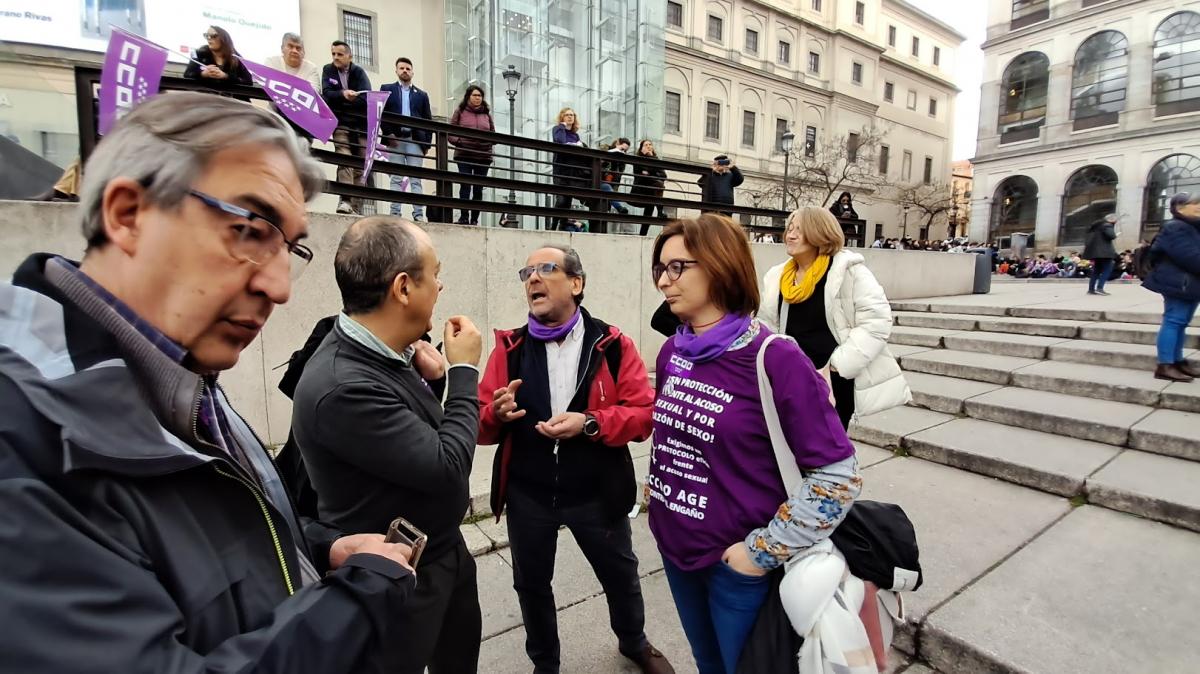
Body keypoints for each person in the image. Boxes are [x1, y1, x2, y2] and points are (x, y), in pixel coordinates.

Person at [0, 92, 416, 671]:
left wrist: (319, 552)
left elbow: (207, 553)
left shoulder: (177, 377)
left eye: (290, 249)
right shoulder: (22, 440)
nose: (279, 286)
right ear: (129, 214)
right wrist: (361, 596)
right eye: (250, 231)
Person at [647, 214, 860, 674]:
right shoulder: (672, 352)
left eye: (678, 267)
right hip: (676, 548)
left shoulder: (775, 357)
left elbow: (838, 477)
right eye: (659, 269)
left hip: (738, 566)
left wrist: (759, 553)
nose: (664, 280)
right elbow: (671, 439)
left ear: (721, 266)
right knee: (708, 665)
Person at [291, 217, 484, 673]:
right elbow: (446, 464)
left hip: (441, 553)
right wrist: (463, 373)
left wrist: (433, 384)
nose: (440, 285)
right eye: (434, 273)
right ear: (402, 288)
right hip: (394, 578)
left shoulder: (390, 351)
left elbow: (406, 439)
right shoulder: (344, 383)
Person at [478, 245, 675, 674]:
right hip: (529, 493)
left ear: (576, 283)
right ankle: (545, 663)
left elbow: (643, 415)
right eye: (526, 271)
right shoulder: (509, 348)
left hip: (596, 491)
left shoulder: (612, 344)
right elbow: (478, 425)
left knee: (620, 575)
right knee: (530, 585)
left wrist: (590, 423)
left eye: (546, 268)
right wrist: (494, 413)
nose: (533, 278)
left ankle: (633, 641)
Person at [758, 207, 910, 428]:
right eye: (789, 228)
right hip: (790, 379)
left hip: (832, 381)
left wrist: (836, 367)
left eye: (799, 230)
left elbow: (876, 322)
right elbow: (768, 324)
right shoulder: (777, 276)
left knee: (826, 454)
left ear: (820, 234)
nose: (789, 235)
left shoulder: (848, 272)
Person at [1143, 193, 1200, 383]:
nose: (1199, 206)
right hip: (1179, 283)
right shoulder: (1176, 227)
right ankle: (1165, 365)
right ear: (1179, 208)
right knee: (1174, 320)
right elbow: (1190, 257)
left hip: (1190, 283)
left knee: (1181, 322)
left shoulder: (1192, 227)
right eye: (1194, 203)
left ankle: (1177, 361)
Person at [323, 41, 371, 215]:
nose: (335, 57)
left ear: (350, 57)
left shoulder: (359, 72)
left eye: (340, 54)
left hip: (361, 126)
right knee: (344, 160)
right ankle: (345, 200)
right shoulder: (328, 70)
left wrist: (344, 100)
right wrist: (343, 94)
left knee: (360, 167)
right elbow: (327, 94)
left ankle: (356, 207)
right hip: (340, 124)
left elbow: (366, 97)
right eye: (333, 54)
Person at [382, 57, 434, 222]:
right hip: (395, 139)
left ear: (412, 72)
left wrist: (426, 144)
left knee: (416, 179)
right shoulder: (387, 89)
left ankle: (418, 215)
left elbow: (428, 120)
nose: (405, 71)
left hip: (414, 140)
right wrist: (388, 134)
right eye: (401, 68)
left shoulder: (422, 95)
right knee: (395, 178)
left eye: (407, 68)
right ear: (396, 70)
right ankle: (395, 213)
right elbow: (382, 114)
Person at [448, 85, 495, 225]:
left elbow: (493, 134)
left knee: (478, 189)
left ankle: (474, 219)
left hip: (483, 156)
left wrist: (488, 144)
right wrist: (459, 141)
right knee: (465, 186)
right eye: (474, 95)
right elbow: (450, 132)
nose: (477, 98)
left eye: (480, 96)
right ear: (468, 96)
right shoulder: (460, 111)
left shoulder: (486, 114)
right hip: (464, 154)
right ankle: (464, 217)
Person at [550, 107, 593, 231]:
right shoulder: (558, 129)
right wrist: (562, 126)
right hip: (561, 171)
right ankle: (553, 226)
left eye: (572, 115)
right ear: (562, 117)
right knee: (562, 200)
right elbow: (560, 141)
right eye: (567, 115)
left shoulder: (575, 135)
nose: (570, 117)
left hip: (573, 172)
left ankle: (562, 225)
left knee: (568, 200)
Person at [184, 25, 253, 86]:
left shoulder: (236, 57)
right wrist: (203, 74)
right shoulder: (198, 54)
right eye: (206, 35)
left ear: (223, 39)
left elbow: (248, 82)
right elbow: (187, 75)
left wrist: (226, 76)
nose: (209, 38)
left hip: (230, 98)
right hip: (205, 97)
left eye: (213, 36)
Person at [631, 139, 669, 235]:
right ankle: (660, 211)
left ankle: (642, 234)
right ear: (641, 148)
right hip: (641, 189)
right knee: (659, 185)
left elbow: (664, 175)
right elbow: (642, 175)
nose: (648, 146)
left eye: (650, 144)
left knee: (649, 209)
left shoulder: (655, 159)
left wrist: (651, 157)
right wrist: (654, 174)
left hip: (652, 190)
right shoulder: (638, 159)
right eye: (645, 145)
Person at [1083, 212, 1119, 295]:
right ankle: (1100, 287)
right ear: (1110, 220)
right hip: (1105, 252)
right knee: (1107, 270)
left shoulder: (1096, 227)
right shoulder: (1107, 225)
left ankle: (1091, 289)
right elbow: (1112, 236)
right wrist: (1113, 226)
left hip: (1096, 253)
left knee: (1096, 271)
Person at [601, 137, 632, 218]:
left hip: (611, 184)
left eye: (625, 151)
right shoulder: (604, 150)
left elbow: (618, 178)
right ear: (617, 144)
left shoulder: (621, 162)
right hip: (599, 181)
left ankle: (618, 207)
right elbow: (598, 165)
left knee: (606, 208)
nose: (623, 152)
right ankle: (619, 207)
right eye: (622, 149)